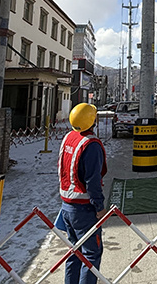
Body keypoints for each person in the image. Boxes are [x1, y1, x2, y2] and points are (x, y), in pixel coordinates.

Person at [58, 103, 107, 284]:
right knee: (91, 255)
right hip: (84, 209)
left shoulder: (69, 138)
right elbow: (92, 181)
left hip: (66, 205)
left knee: (74, 252)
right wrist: (99, 207)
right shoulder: (90, 145)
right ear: (92, 121)